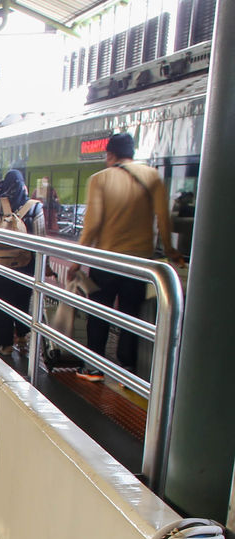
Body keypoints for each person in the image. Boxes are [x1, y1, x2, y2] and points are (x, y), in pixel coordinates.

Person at [73, 132, 182, 380]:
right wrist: (170, 251)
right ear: (132, 154)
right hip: (139, 263)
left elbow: (92, 225)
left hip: (106, 260)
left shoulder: (100, 179)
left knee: (99, 313)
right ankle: (128, 369)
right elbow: (164, 220)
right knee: (130, 315)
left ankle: (93, 367)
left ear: (110, 154)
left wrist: (77, 260)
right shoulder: (152, 176)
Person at [0, 169, 45, 356]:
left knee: (2, 302)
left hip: (1, 263)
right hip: (26, 263)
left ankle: (5, 345)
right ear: (23, 185)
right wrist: (44, 267)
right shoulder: (34, 207)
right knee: (23, 300)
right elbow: (41, 238)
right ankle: (22, 337)